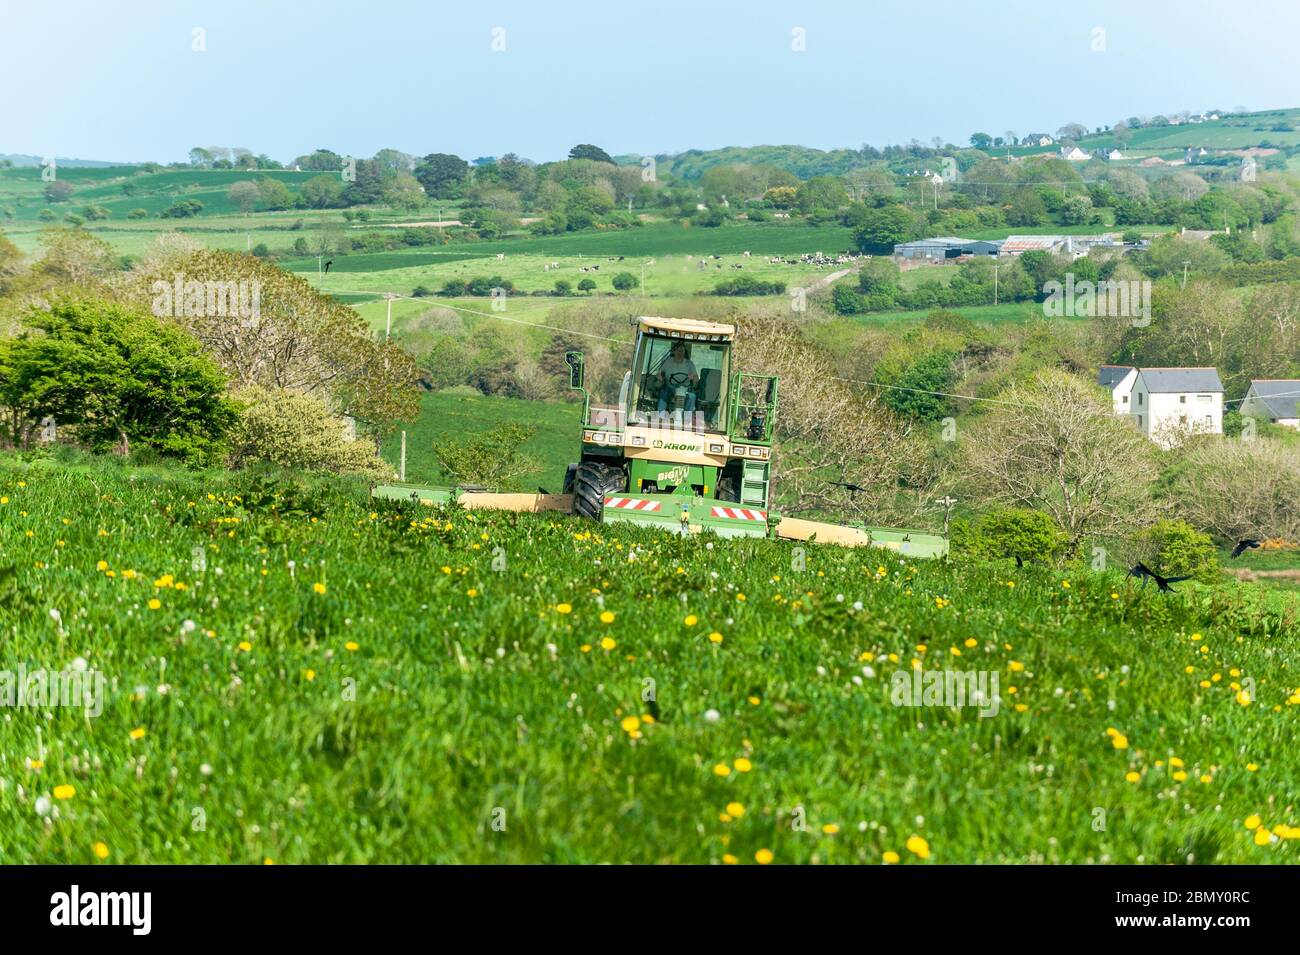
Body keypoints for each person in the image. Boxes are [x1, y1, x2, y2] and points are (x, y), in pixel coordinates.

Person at [656, 340, 699, 413]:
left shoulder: (689, 364)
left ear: (684, 352)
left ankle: (687, 420)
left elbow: (696, 378)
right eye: (678, 351)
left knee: (692, 396)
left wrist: (693, 378)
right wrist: (660, 378)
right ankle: (660, 417)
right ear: (674, 352)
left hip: (685, 389)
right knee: (663, 393)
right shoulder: (668, 362)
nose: (680, 353)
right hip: (670, 388)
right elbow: (658, 374)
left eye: (682, 351)